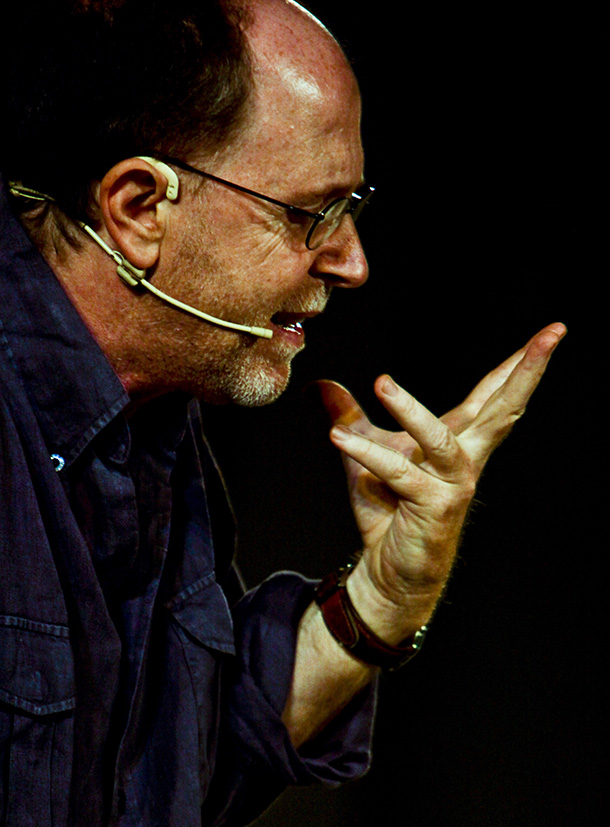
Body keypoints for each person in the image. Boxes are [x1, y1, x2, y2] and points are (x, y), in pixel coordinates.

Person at [0, 0, 566, 824]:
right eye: (310, 212)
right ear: (138, 206)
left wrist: (383, 597)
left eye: (352, 206)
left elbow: (177, 774)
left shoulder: (157, 421)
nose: (351, 261)